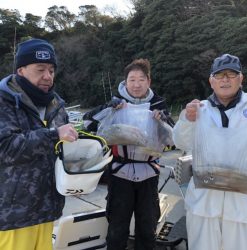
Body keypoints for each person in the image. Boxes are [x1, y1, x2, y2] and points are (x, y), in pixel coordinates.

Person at [82, 58, 175, 250]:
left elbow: (174, 141)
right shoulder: (116, 103)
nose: (137, 84)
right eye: (132, 79)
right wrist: (108, 107)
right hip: (119, 172)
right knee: (117, 226)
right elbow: (87, 124)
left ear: (148, 81)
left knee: (147, 227)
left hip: (149, 173)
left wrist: (164, 119)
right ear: (125, 82)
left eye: (141, 79)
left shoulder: (158, 104)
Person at [0, 38, 78, 250]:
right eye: (40, 69)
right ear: (21, 70)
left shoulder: (56, 104)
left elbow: (62, 151)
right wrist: (54, 135)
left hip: (47, 210)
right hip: (12, 216)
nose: (47, 76)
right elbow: (6, 148)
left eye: (51, 70)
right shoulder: (3, 100)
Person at [173, 53, 247, 250]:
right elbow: (180, 142)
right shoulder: (198, 109)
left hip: (243, 205)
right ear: (211, 81)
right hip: (203, 203)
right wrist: (186, 120)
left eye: (231, 74)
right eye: (220, 75)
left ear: (241, 78)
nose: (225, 79)